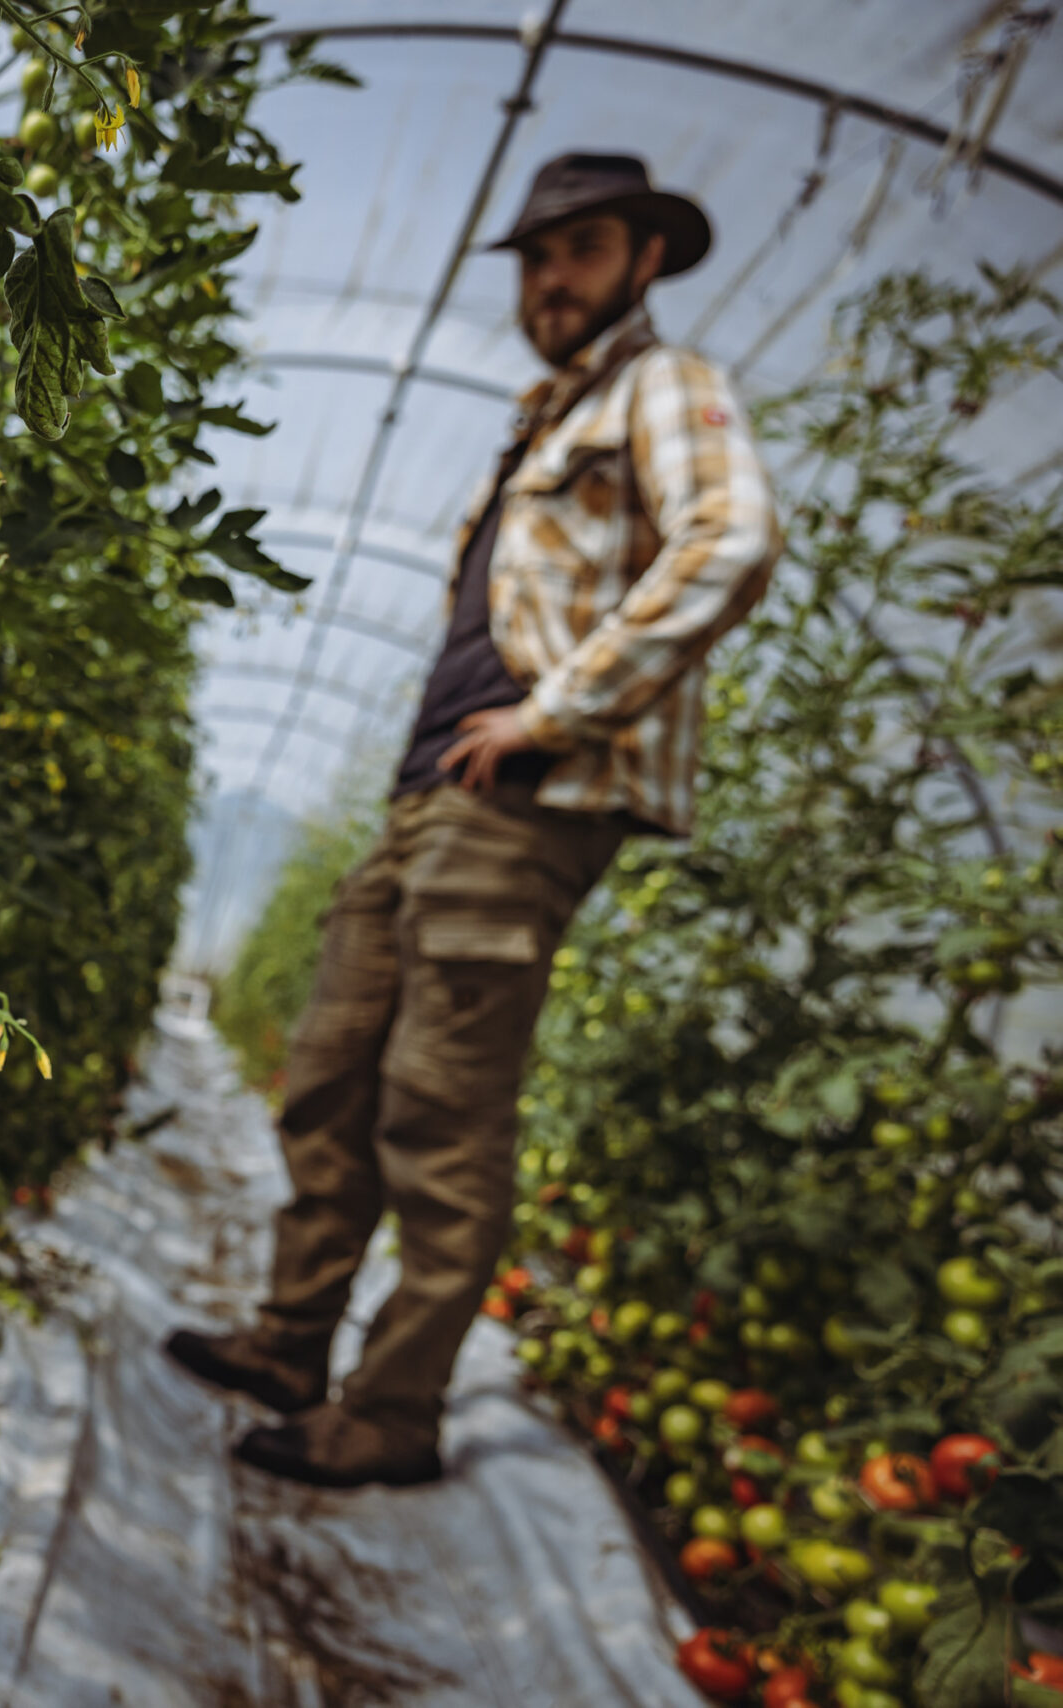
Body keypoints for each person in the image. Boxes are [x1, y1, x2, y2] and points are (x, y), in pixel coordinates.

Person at [165, 154, 782, 1488]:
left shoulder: (665, 390)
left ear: (646, 261)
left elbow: (730, 542)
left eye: (581, 250)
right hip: (434, 798)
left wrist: (553, 714)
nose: (549, 279)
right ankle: (292, 1339)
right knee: (331, 1073)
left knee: (442, 1112)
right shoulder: (545, 417)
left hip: (532, 796)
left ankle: (391, 1415)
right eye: (534, 257)